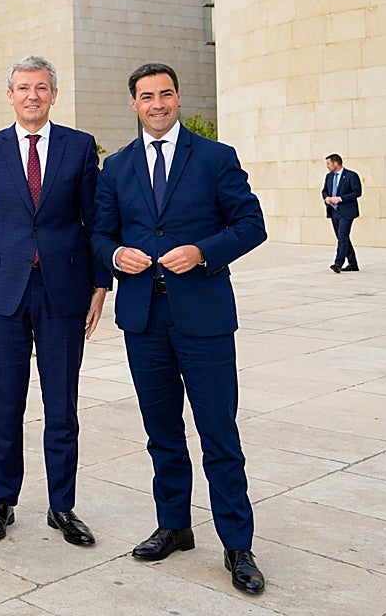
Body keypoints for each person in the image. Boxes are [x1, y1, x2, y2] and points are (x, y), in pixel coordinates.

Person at [91, 63, 267, 595]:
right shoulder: (116, 168)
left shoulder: (216, 158)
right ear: (134, 104)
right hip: (145, 320)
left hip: (204, 319)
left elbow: (251, 223)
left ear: (178, 98)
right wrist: (117, 254)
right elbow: (99, 235)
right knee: (162, 432)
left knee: (219, 433)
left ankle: (238, 544)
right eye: (147, 96)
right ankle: (174, 526)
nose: (158, 104)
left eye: (166, 94)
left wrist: (204, 252)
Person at [0, 55, 111, 545]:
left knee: (62, 407)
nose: (32, 95)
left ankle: (62, 506)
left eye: (41, 87)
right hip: (1, 294)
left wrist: (100, 285)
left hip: (65, 291)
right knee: (5, 404)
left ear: (53, 95)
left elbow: (96, 222)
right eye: (23, 87)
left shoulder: (80, 148)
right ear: (10, 95)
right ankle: (3, 502)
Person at [323, 154, 361, 274]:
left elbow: (357, 192)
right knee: (342, 237)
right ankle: (353, 263)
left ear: (336, 163)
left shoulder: (351, 176)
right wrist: (326, 198)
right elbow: (324, 190)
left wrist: (340, 198)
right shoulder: (329, 177)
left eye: (329, 164)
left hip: (347, 211)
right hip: (334, 211)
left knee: (342, 236)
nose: (327, 166)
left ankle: (338, 263)